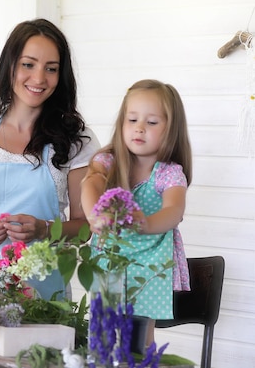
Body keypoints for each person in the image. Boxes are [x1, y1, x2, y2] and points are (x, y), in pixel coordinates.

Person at [0, 18, 100, 300]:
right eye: (28, 64)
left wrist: (45, 229)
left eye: (50, 69)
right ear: (10, 66)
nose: (39, 78)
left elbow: (86, 226)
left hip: (44, 298)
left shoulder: (76, 140)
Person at [80, 79, 192, 342]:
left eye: (152, 122)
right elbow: (91, 183)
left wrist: (144, 224)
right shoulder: (108, 161)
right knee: (103, 330)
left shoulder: (169, 173)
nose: (139, 128)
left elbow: (174, 210)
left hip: (150, 263)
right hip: (110, 259)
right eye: (132, 120)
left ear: (171, 129)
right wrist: (95, 216)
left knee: (139, 337)